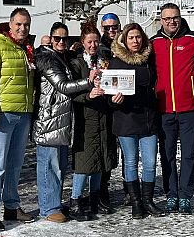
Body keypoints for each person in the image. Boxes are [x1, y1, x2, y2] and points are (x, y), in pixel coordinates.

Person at [0, 8, 37, 231]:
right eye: (19, 24)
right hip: (3, 114)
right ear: (10, 24)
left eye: (26, 25)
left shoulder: (26, 48)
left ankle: (11, 205)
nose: (23, 28)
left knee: (15, 163)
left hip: (23, 112)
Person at [34, 22, 94, 223]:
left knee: (59, 165)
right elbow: (63, 85)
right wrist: (89, 82)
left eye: (64, 38)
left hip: (61, 119)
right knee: (49, 166)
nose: (61, 42)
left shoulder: (62, 57)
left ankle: (55, 204)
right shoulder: (47, 59)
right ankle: (48, 208)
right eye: (57, 38)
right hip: (49, 119)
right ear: (50, 39)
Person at [110, 23, 165, 219]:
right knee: (131, 162)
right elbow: (108, 93)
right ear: (124, 40)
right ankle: (136, 203)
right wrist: (113, 100)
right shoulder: (116, 62)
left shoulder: (149, 59)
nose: (135, 41)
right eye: (131, 37)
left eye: (138, 37)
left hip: (148, 118)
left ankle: (148, 200)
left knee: (150, 163)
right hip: (126, 119)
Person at [151, 2, 194, 213]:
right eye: (167, 18)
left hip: (189, 108)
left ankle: (185, 195)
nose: (171, 21)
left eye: (175, 17)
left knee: (189, 154)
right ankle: (171, 194)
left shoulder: (193, 39)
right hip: (164, 109)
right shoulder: (154, 43)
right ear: (161, 20)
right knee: (167, 154)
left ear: (180, 18)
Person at [69, 22, 117, 221]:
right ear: (83, 42)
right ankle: (75, 200)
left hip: (104, 114)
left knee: (100, 159)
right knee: (84, 162)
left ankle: (95, 199)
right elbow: (72, 92)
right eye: (89, 42)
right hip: (85, 116)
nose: (93, 45)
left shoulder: (105, 60)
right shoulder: (77, 63)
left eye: (96, 41)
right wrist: (89, 94)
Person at [97, 12, 122, 212]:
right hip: (104, 103)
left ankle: (130, 188)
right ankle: (102, 188)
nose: (111, 30)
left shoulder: (126, 43)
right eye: (107, 27)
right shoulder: (98, 47)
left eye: (114, 27)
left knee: (128, 151)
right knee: (106, 147)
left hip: (125, 101)